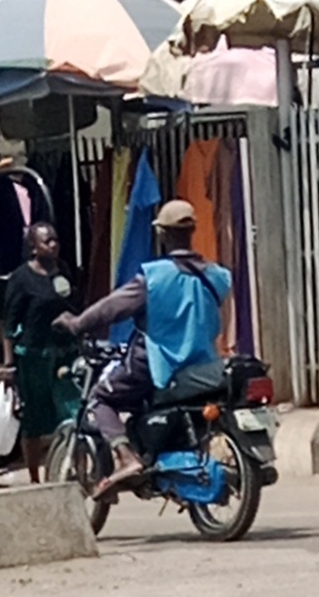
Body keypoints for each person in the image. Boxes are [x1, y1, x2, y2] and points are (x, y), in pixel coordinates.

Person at [55, 200, 232, 500]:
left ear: (162, 234)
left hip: (159, 364)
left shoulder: (154, 277)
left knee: (102, 397)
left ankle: (126, 458)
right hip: (202, 366)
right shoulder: (217, 275)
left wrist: (77, 323)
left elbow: (112, 308)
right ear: (192, 232)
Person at [1, 222, 82, 482]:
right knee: (35, 419)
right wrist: (9, 363)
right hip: (33, 357)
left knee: (71, 412)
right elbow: (9, 323)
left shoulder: (64, 272)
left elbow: (74, 304)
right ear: (33, 247)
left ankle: (70, 470)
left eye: (55, 240)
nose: (54, 245)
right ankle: (35, 477)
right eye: (47, 241)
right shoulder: (22, 278)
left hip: (64, 353)